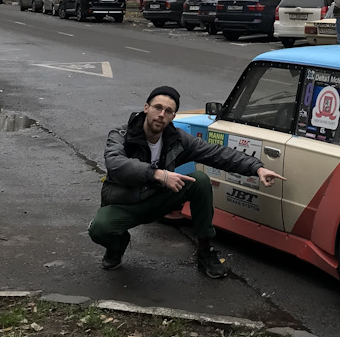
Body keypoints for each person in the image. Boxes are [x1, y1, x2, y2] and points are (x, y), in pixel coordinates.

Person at [88, 85, 282, 277]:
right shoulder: (121, 135)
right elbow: (115, 163)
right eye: (158, 107)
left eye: (169, 111)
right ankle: (116, 246)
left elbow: (215, 153)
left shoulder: (177, 138)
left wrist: (256, 167)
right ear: (146, 108)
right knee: (100, 229)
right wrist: (159, 174)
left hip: (159, 199)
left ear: (173, 116)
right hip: (127, 202)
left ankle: (205, 251)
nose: (161, 114)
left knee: (200, 180)